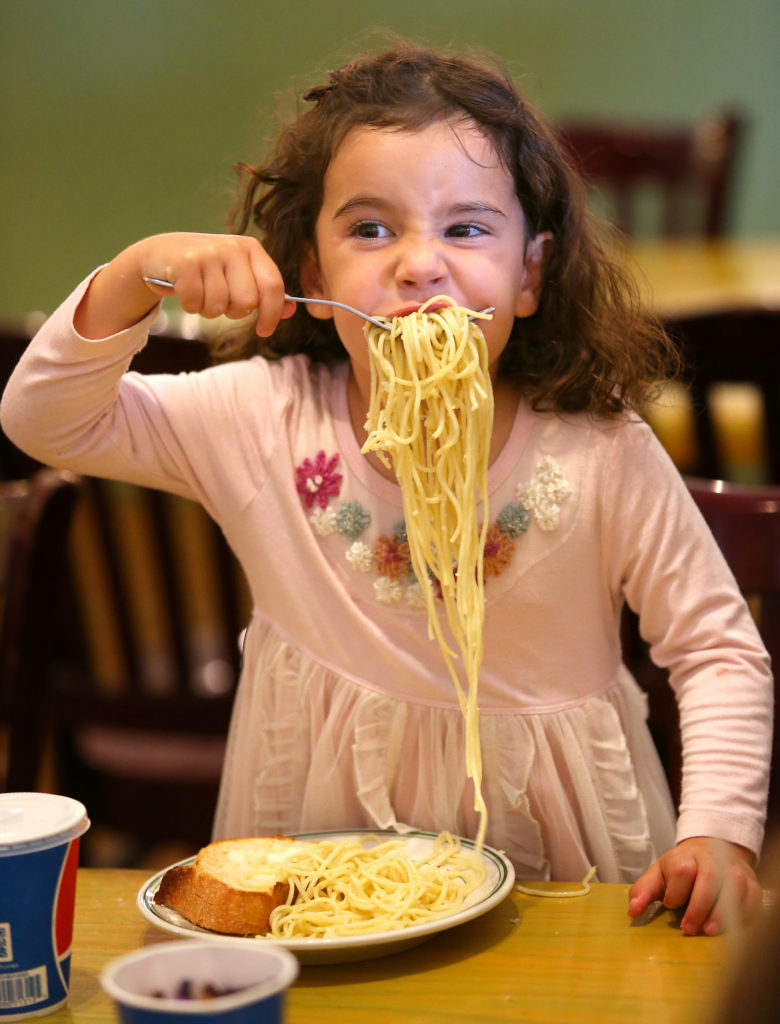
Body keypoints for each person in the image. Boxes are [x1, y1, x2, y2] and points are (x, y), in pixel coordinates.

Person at [1, 44, 771, 936]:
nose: (418, 265)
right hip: (318, 868)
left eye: (468, 228)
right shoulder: (262, 419)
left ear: (529, 274)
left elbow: (717, 648)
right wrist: (134, 273)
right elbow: (42, 421)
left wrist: (720, 832)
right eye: (371, 229)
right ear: (316, 280)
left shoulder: (599, 449)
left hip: (571, 870)